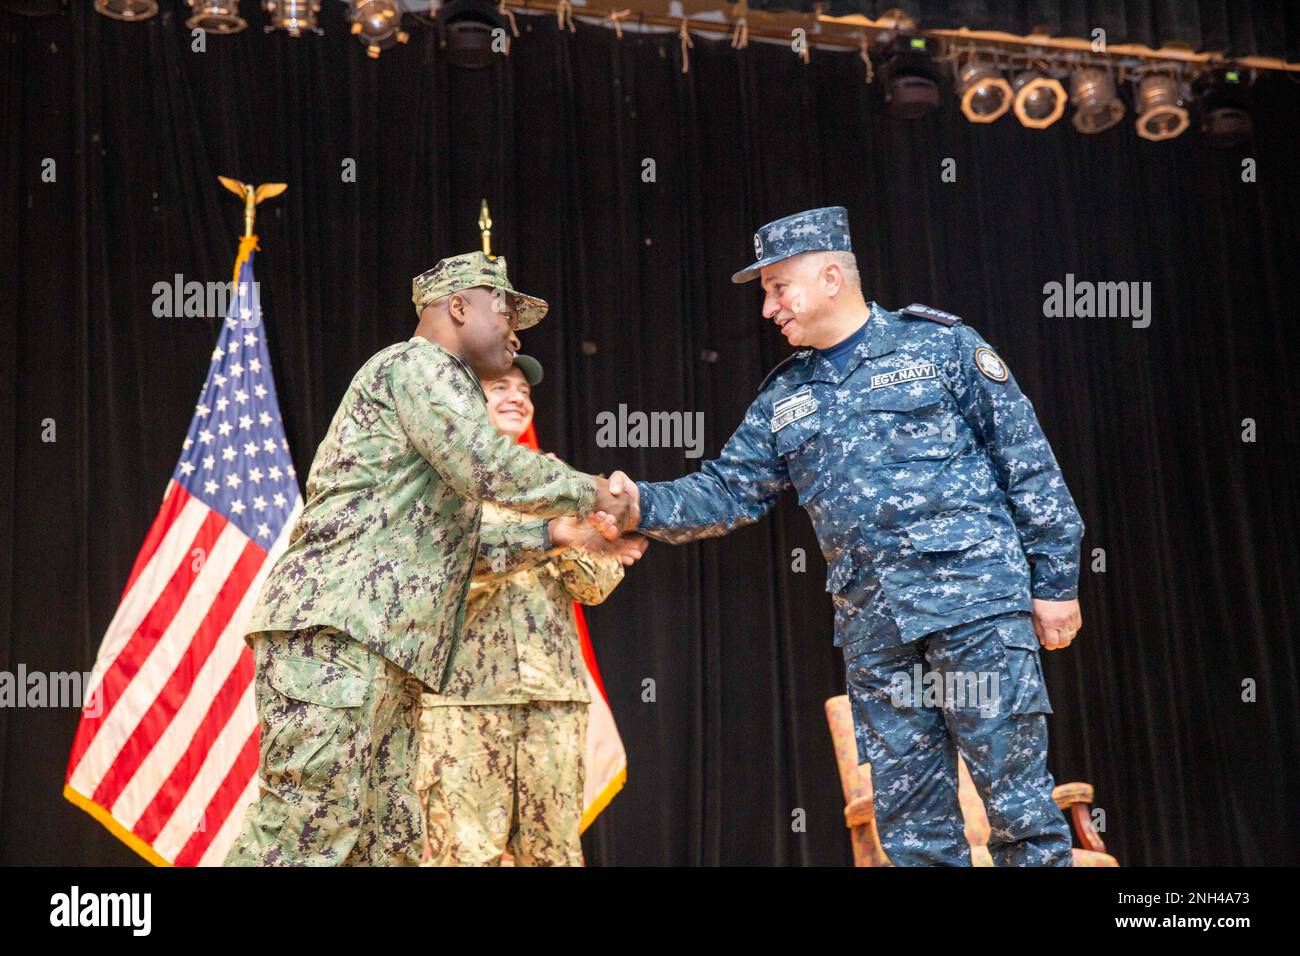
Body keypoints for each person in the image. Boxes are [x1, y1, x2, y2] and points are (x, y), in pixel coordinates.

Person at [603, 206, 1085, 866]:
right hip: (875, 633)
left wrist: (1055, 580)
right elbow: (726, 490)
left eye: (779, 287)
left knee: (1019, 809)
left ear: (832, 276)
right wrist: (635, 507)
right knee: (913, 829)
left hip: (975, 610)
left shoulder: (940, 346)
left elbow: (1026, 459)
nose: (770, 308)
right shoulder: (785, 396)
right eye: (767, 292)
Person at [224, 252, 644, 866]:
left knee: (385, 846)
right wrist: (597, 494)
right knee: (305, 834)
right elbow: (489, 466)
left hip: (387, 654)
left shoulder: (435, 411)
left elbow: (465, 552)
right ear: (458, 306)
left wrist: (559, 534)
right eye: (504, 311)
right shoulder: (417, 366)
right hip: (338, 639)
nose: (514, 331)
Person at [416, 354, 625, 866]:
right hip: (461, 702)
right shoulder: (437, 486)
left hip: (552, 699)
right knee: (464, 857)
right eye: (499, 387)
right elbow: (445, 579)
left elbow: (595, 584)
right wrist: (543, 536)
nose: (517, 397)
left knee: (553, 856)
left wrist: (569, 511)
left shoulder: (559, 482)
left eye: (524, 391)